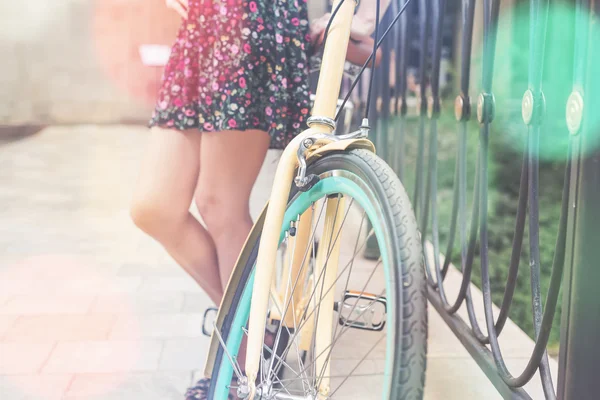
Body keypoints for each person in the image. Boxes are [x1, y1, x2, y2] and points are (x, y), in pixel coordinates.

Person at [130, 0, 390, 398]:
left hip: (251, 21)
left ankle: (243, 366)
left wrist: (362, 16)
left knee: (220, 205)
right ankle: (257, 332)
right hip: (202, 24)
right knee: (154, 208)